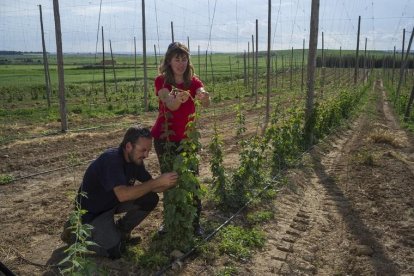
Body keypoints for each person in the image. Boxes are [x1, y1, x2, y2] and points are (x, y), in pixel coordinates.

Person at [61, 126, 178, 259]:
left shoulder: (135, 160)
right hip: (93, 212)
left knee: (150, 198)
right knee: (115, 252)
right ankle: (75, 232)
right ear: (129, 146)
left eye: (148, 151)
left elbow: (153, 187)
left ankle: (122, 232)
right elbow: (124, 195)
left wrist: (170, 182)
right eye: (143, 150)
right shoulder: (111, 160)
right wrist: (156, 182)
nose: (146, 155)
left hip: (112, 203)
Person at [151, 42, 210, 236]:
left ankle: (194, 223)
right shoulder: (162, 82)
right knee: (169, 181)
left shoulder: (194, 82)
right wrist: (179, 99)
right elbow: (170, 104)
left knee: (191, 180)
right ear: (169, 60)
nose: (181, 63)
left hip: (187, 140)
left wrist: (203, 96)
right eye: (177, 59)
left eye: (184, 59)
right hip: (165, 139)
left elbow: (206, 101)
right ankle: (169, 223)